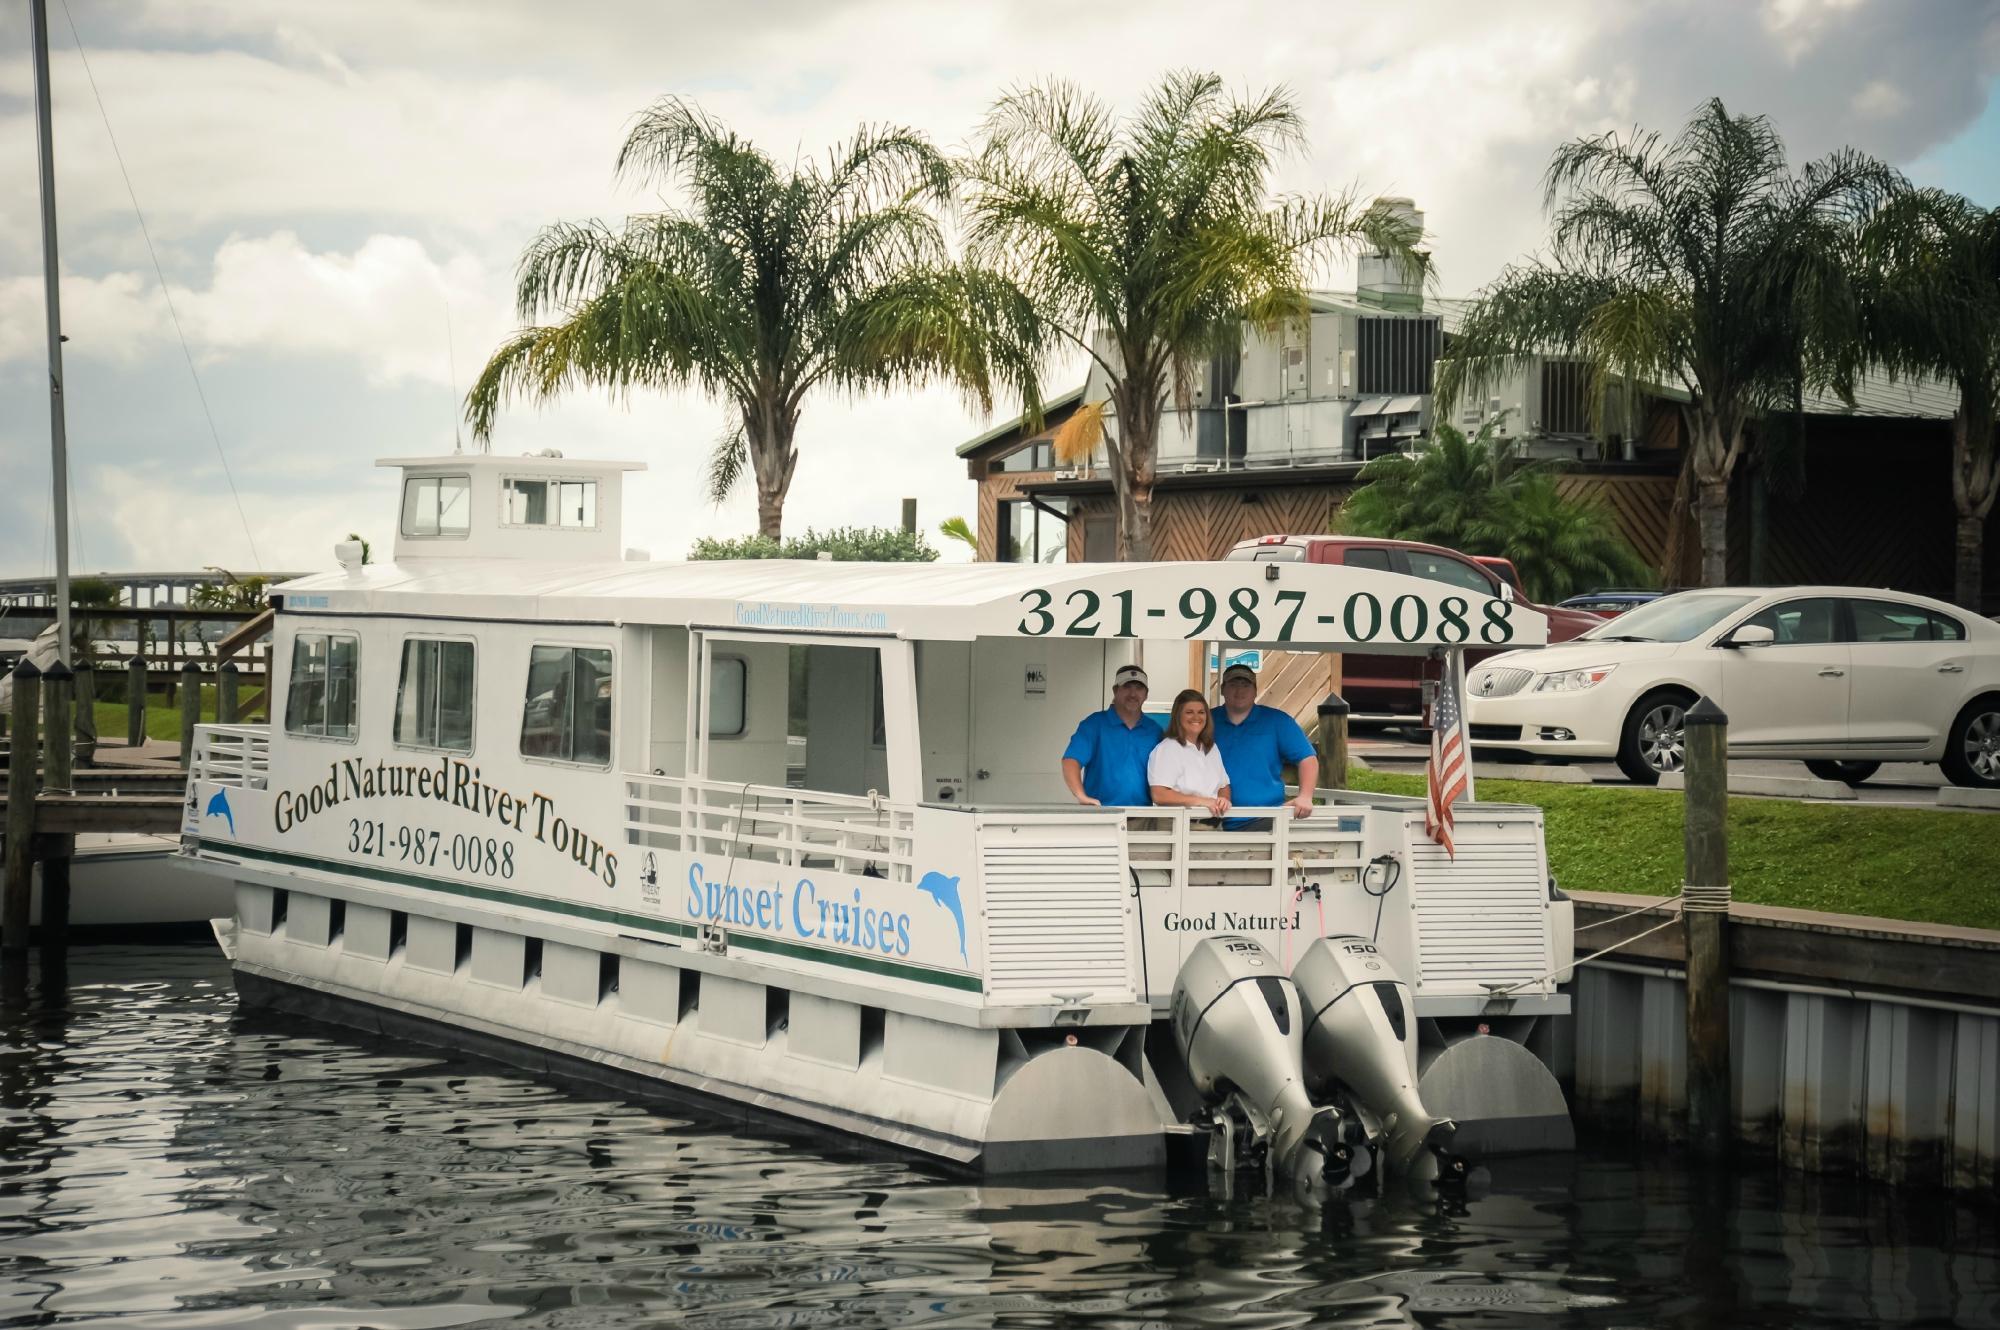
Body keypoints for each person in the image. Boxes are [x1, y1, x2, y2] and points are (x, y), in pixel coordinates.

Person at [1212, 662, 1318, 826]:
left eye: (1245, 685)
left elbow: (1307, 759)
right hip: (1211, 817)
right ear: (1222, 689)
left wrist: (1305, 796)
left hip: (1266, 818)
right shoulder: (1205, 721)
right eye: (1233, 685)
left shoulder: (1277, 721)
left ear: (1255, 690)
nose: (1239, 691)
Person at [1060, 664, 1163, 807]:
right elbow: (1071, 761)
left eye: (1139, 688)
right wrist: (1081, 795)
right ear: (1115, 690)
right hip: (1101, 815)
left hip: (1143, 817)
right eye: (1127, 686)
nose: (1133, 694)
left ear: (1146, 694)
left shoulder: (1154, 730)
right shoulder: (1094, 725)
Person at [1147, 689, 1232, 820]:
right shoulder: (1168, 748)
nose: (1196, 717)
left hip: (1212, 826)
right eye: (1189, 712)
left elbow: (1223, 785)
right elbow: (1159, 795)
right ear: (1177, 716)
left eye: (1201, 712)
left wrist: (1223, 799)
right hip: (1179, 827)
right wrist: (1203, 801)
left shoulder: (1211, 748)